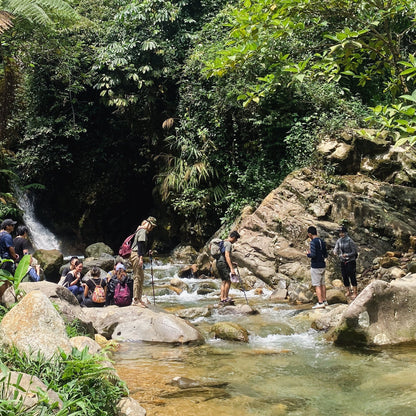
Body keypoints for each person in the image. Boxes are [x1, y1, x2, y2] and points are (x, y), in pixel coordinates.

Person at [130, 216, 156, 307]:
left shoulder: (140, 230)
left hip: (137, 254)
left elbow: (142, 245)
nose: (152, 228)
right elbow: (140, 245)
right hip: (136, 255)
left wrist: (147, 251)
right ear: (148, 224)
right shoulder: (143, 231)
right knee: (137, 277)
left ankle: (139, 298)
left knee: (141, 276)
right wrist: (141, 258)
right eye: (151, 226)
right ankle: (135, 300)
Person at [333, 225, 358, 299]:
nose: (341, 234)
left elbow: (354, 252)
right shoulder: (339, 241)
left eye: (342, 233)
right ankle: (348, 291)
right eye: (340, 233)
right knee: (344, 276)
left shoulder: (350, 241)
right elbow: (336, 249)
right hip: (342, 260)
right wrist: (335, 252)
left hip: (350, 261)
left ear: (346, 233)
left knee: (352, 276)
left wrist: (347, 255)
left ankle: (355, 292)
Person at [306, 226, 328, 309]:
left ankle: (320, 302)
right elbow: (325, 254)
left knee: (317, 285)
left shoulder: (312, 242)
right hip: (322, 265)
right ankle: (325, 300)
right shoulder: (321, 241)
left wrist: (308, 254)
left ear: (310, 234)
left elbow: (313, 255)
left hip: (316, 266)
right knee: (323, 283)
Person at [216, 230, 240, 304]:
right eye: (236, 239)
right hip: (223, 264)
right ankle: (225, 298)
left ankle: (222, 298)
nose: (235, 241)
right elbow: (227, 255)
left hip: (219, 263)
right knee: (228, 281)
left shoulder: (223, 242)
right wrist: (232, 269)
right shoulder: (228, 244)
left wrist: (232, 263)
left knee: (224, 281)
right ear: (233, 237)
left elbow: (222, 255)